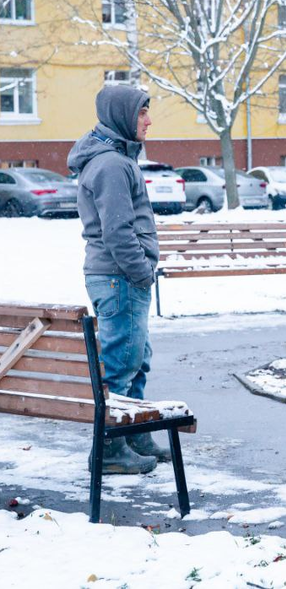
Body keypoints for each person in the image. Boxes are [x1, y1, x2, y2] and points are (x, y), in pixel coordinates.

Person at [67, 84, 169, 475]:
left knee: (136, 360)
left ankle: (134, 432)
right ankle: (111, 450)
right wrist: (142, 272)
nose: (148, 120)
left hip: (117, 277)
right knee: (121, 365)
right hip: (120, 277)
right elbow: (118, 232)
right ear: (123, 115)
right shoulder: (111, 164)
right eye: (142, 112)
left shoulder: (115, 158)